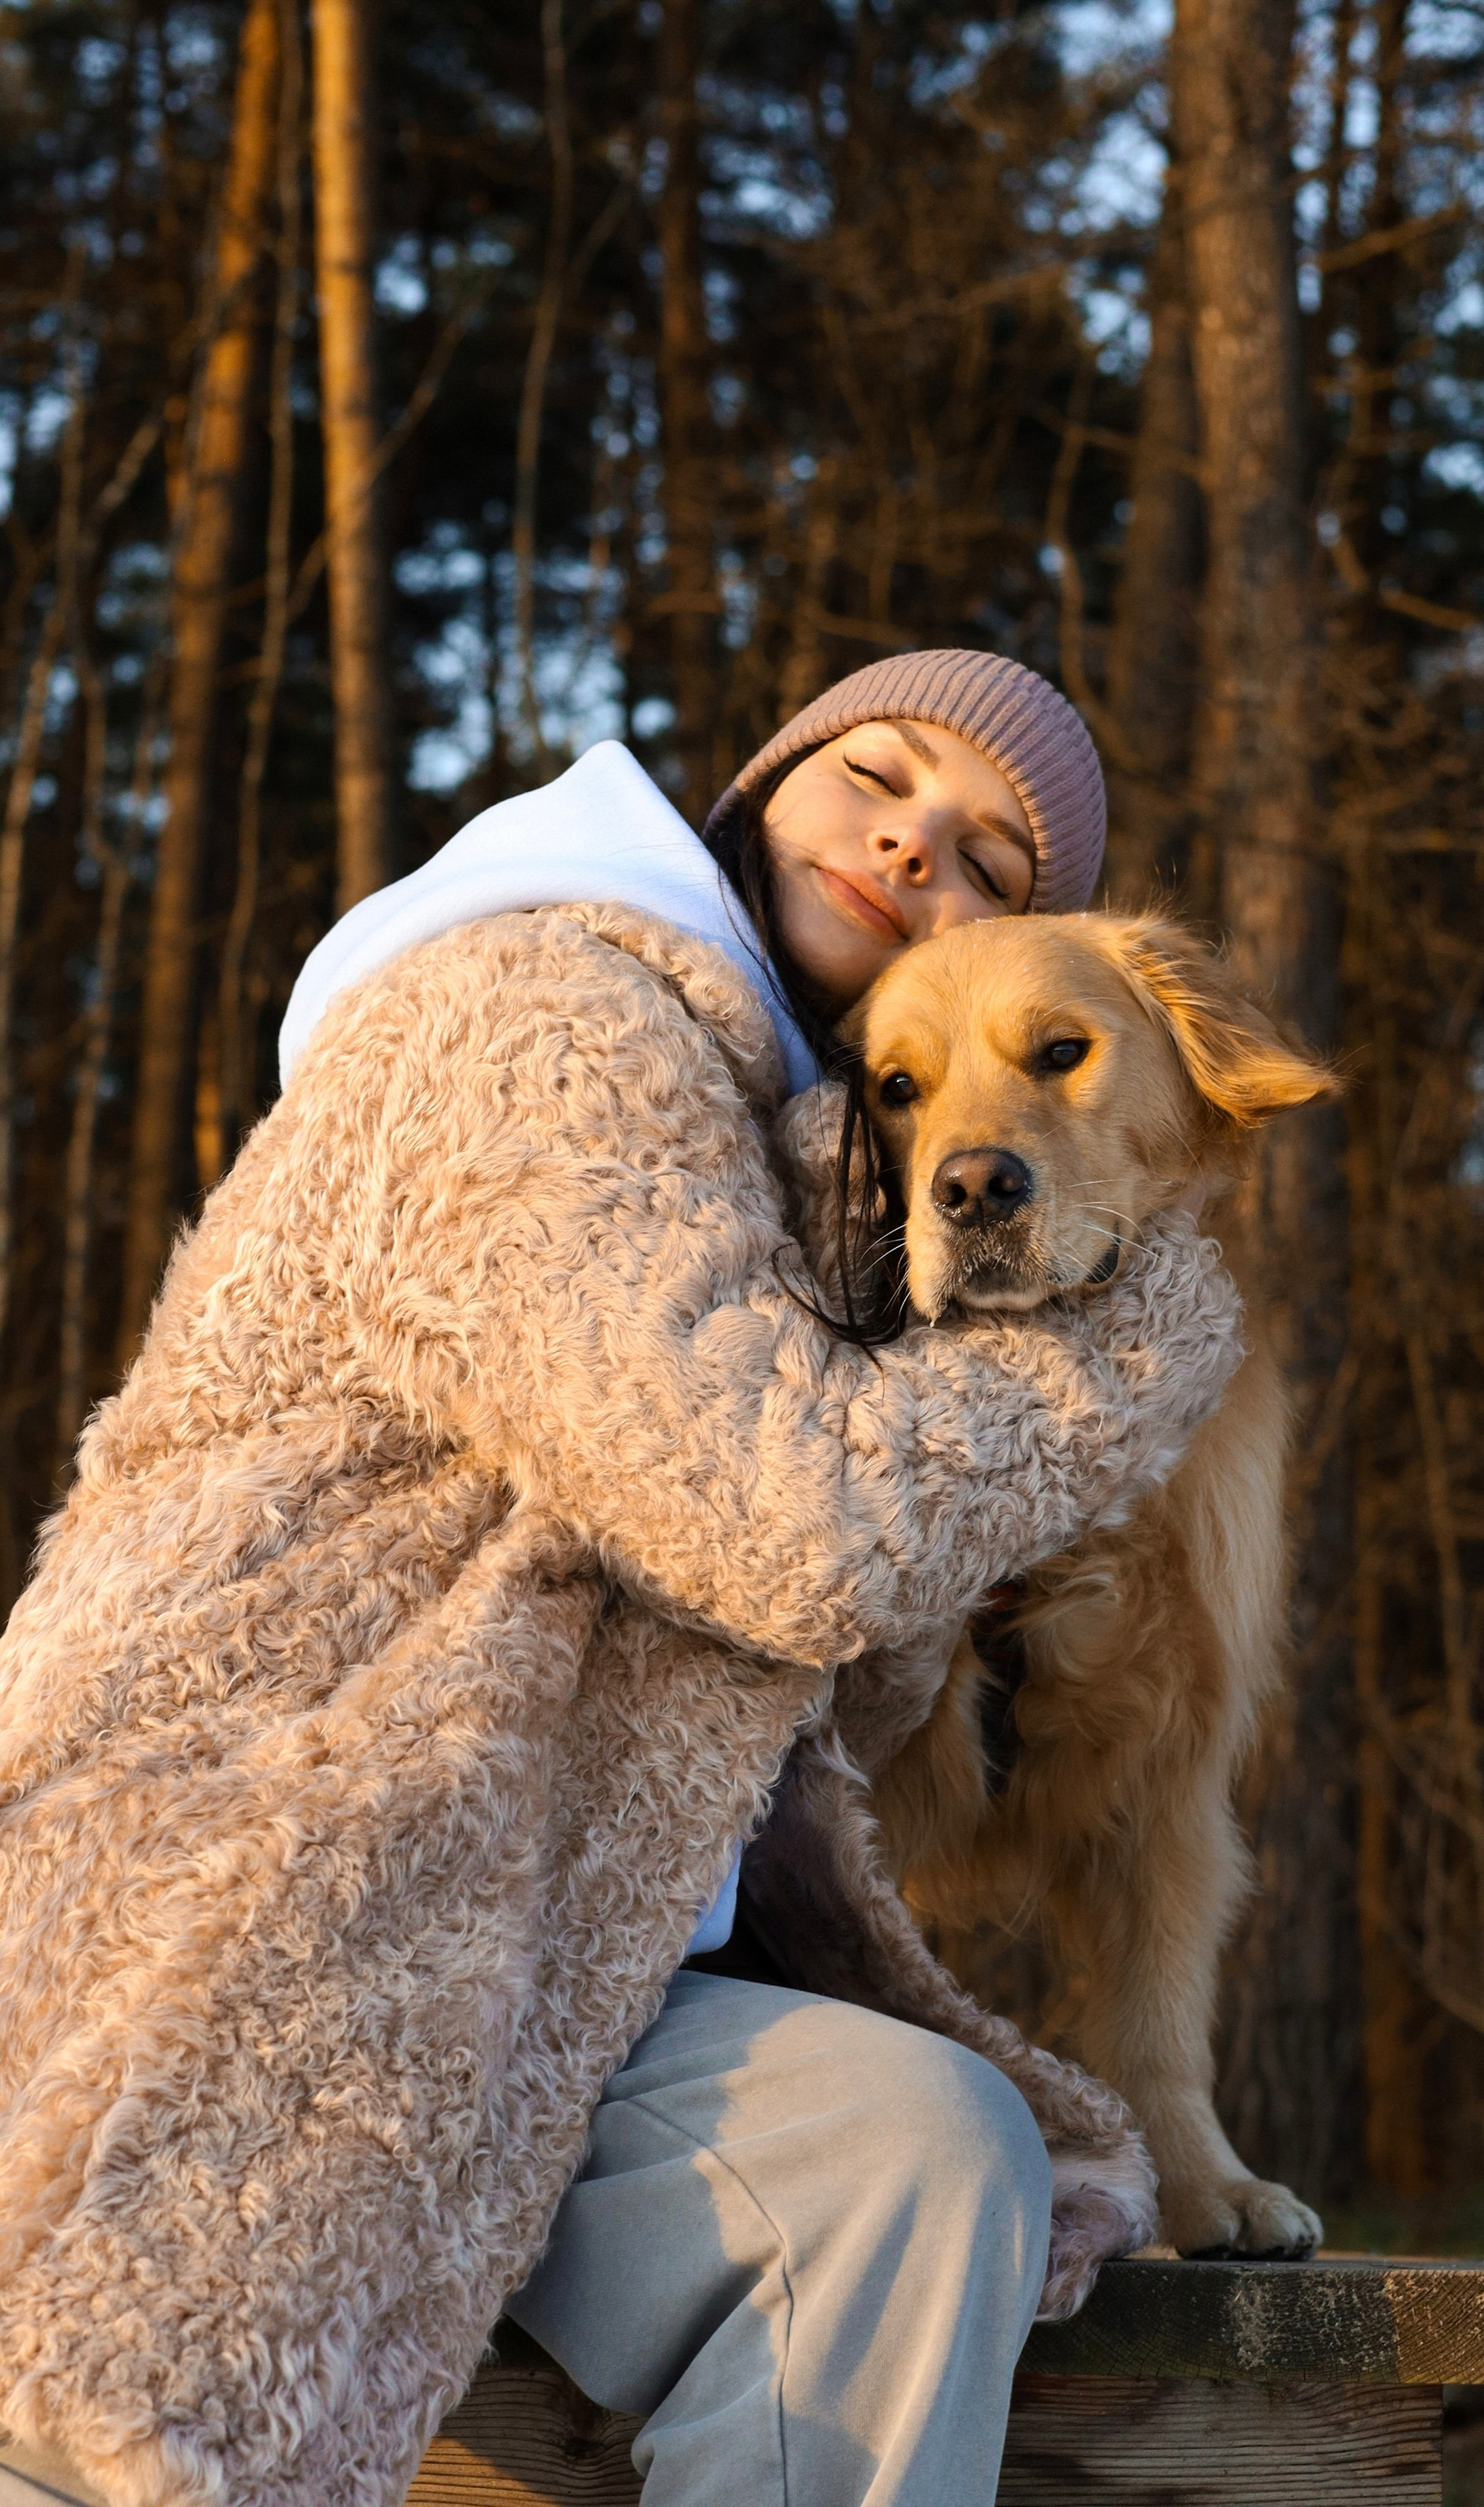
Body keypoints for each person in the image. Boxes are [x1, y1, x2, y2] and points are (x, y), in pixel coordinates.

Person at [0, 652, 1244, 2507]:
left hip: (551, 1952)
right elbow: (782, 1531)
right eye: (878, 776)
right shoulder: (542, 1006)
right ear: (757, 791)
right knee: (147, 2394)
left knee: (912, 2155)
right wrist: (1132, 1325)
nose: (917, 842)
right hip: (257, 1893)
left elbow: (829, 1690)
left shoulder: (807, 1169)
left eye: (990, 856)